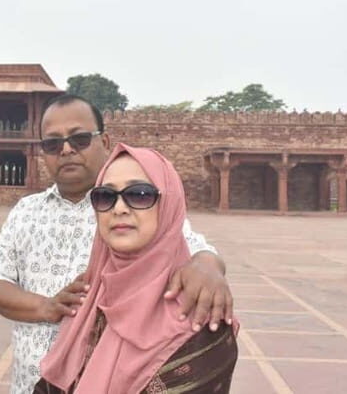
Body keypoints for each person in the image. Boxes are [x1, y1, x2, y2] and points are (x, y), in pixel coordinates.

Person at [0, 95, 234, 394]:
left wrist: (207, 266)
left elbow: (191, 248)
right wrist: (46, 307)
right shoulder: (26, 211)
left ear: (105, 141)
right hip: (35, 378)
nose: (66, 150)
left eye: (79, 139)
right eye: (53, 144)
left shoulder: (131, 216)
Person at [35, 144, 238, 393]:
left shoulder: (201, 316)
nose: (119, 208)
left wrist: (208, 260)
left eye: (139, 194)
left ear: (168, 205)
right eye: (105, 197)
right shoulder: (88, 302)